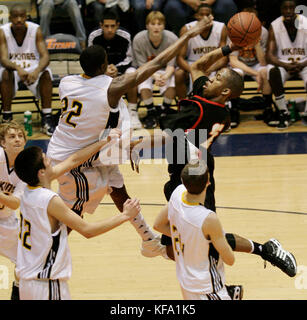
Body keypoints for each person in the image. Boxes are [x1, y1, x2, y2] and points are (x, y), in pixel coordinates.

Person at [46, 15, 214, 259]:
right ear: (104, 66)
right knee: (73, 216)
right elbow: (156, 64)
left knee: (116, 187)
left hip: (85, 151)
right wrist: (188, 35)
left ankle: (149, 241)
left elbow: (101, 96)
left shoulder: (68, 82)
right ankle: (46, 254)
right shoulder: (110, 88)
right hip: (74, 162)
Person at [134, 41, 297, 279]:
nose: (210, 78)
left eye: (217, 77)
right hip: (179, 171)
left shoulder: (211, 110)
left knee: (207, 239)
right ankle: (161, 245)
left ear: (224, 92)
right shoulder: (205, 94)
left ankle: (265, 250)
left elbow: (167, 135)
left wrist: (135, 143)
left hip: (196, 179)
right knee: (172, 250)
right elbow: (198, 65)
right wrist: (230, 47)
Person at [14, 129, 142, 300]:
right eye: (46, 160)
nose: (50, 159)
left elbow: (74, 159)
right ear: (41, 173)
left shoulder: (28, 192)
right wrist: (125, 215)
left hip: (26, 281)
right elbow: (87, 230)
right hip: (45, 284)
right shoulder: (49, 200)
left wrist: (104, 141)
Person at [154, 160, 235, 300]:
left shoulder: (176, 194)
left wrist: (188, 237)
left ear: (183, 181)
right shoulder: (208, 219)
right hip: (208, 287)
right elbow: (230, 259)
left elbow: (158, 225)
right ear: (208, 183)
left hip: (185, 281)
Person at [0, 5, 55, 136]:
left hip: (32, 66)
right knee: (5, 73)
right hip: (12, 68)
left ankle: (47, 117)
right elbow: (3, 59)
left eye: (21, 16)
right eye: (15, 17)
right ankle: (7, 116)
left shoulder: (35, 29)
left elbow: (45, 56)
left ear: (26, 17)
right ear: (10, 18)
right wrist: (18, 68)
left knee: (46, 73)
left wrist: (36, 71)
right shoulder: (3, 31)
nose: (19, 20)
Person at [88, 10, 141, 130]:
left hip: (121, 69)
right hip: (101, 71)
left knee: (133, 73)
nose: (110, 29)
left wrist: (117, 68)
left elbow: (130, 58)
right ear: (101, 25)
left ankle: (132, 111)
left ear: (117, 25)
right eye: (106, 26)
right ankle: (98, 114)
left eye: (112, 26)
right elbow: (90, 58)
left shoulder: (125, 35)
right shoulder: (93, 36)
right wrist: (104, 69)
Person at [228, 7, 274, 128]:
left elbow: (263, 62)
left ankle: (268, 109)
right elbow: (233, 61)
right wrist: (255, 73)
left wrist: (257, 42)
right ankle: (234, 110)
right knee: (235, 73)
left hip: (256, 63)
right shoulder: (234, 30)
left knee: (266, 71)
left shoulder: (263, 31)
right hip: (240, 63)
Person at [132, 11, 178, 129]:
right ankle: (151, 113)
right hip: (147, 70)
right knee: (142, 81)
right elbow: (142, 66)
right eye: (153, 24)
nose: (156, 27)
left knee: (173, 81)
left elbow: (171, 65)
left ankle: (164, 111)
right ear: (147, 26)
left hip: (165, 70)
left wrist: (165, 77)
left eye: (159, 24)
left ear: (164, 26)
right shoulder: (139, 39)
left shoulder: (172, 38)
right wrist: (155, 76)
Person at [266, 0, 307, 129]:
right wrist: (286, 66)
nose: (288, 11)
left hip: (304, 62)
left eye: (291, 8)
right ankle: (284, 112)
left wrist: (302, 64)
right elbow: (269, 56)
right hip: (283, 64)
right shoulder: (275, 25)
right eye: (285, 8)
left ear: (296, 9)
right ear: (281, 10)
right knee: (272, 71)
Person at [176, 3, 228, 99]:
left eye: (207, 14)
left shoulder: (221, 28)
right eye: (201, 14)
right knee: (179, 74)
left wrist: (210, 69)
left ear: (212, 16)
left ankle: (225, 104)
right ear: (196, 16)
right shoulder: (186, 29)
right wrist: (194, 70)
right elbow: (179, 58)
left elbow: (224, 58)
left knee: (226, 72)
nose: (205, 17)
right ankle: (184, 105)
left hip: (213, 64)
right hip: (192, 64)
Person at [0, 121, 27, 300]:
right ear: (3, 142)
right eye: (12, 136)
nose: (17, 140)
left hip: (6, 221)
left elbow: (16, 203)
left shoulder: (27, 167)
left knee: (25, 264)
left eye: (20, 136)